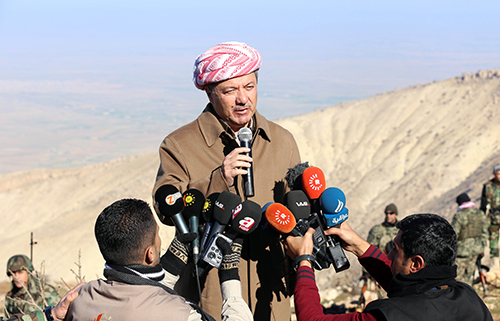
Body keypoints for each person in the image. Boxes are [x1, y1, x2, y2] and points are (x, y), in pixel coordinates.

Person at [152, 42, 301, 321]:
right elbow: (165, 209)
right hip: (207, 291)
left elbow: (293, 212)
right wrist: (218, 179)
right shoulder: (179, 144)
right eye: (230, 90)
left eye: (249, 87)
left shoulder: (282, 141)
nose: (243, 99)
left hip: (268, 288)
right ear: (209, 92)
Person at [65, 198, 252, 321]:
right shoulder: (179, 315)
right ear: (150, 254)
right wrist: (230, 277)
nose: (159, 240)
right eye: (157, 236)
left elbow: (140, 296)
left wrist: (170, 265)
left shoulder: (81, 300)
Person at [284, 213, 493, 321]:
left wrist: (304, 261)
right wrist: (360, 247)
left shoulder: (388, 317)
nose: (390, 255)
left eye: (395, 249)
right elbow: (408, 287)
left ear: (416, 263)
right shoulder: (468, 298)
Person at [452, 192, 489, 285]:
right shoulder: (480, 214)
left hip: (462, 251)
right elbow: (485, 232)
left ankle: (457, 296)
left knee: (458, 276)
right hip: (476, 249)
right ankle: (468, 294)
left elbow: (454, 234)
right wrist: (481, 247)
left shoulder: (459, 216)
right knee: (469, 275)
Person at [2, 282, 83, 321]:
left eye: (20, 272)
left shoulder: (45, 290)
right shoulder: (11, 296)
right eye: (13, 273)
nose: (16, 276)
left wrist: (51, 315)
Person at [480, 164, 500, 269]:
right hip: (493, 217)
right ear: (494, 174)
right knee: (493, 240)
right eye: (498, 173)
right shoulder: (488, 186)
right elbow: (483, 203)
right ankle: (494, 264)